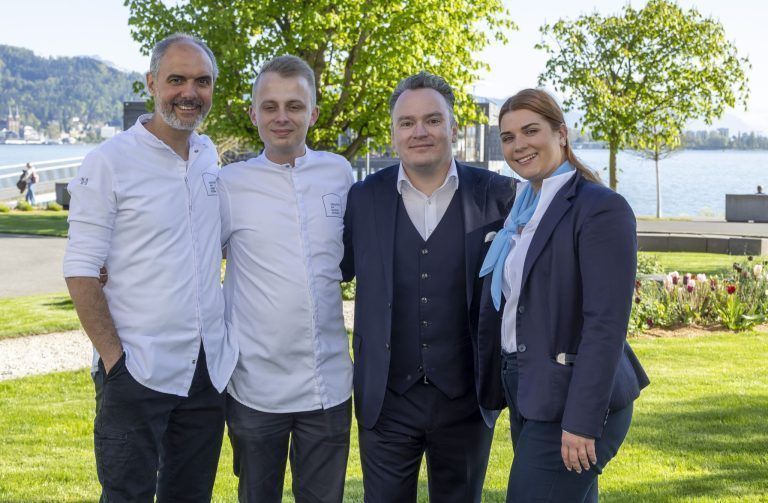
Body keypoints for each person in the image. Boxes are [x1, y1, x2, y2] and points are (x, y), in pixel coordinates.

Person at [63, 33, 236, 502]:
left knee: (190, 496)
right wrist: (116, 362)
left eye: (202, 81)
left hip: (205, 373)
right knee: (127, 496)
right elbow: (80, 269)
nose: (189, 92)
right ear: (152, 82)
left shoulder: (207, 158)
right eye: (176, 79)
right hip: (136, 370)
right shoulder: (110, 162)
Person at [341, 72, 515, 502]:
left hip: (466, 396)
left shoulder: (498, 196)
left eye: (433, 120)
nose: (419, 132)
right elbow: (330, 270)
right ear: (394, 133)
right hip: (386, 396)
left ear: (455, 128)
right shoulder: (362, 198)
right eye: (407, 122)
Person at [478, 88, 650, 502]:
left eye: (531, 130)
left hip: (574, 400)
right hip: (529, 390)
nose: (519, 145)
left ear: (562, 133)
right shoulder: (521, 209)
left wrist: (582, 421)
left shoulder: (600, 208)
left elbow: (605, 325)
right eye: (508, 137)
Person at [219, 55, 353, 503]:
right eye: (270, 106)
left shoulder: (340, 173)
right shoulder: (228, 184)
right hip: (254, 386)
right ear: (253, 113)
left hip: (330, 385)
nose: (282, 117)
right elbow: (188, 258)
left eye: (294, 106)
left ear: (312, 113)